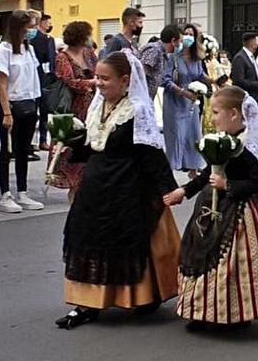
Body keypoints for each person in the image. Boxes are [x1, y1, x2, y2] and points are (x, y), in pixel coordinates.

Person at [55, 51, 181, 329]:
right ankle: (86, 304)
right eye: (96, 77)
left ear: (125, 80)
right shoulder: (96, 106)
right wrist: (71, 143)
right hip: (95, 186)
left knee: (126, 242)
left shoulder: (137, 109)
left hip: (127, 187)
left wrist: (169, 189)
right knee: (87, 239)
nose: (98, 83)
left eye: (104, 78)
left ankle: (140, 297)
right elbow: (94, 145)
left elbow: (151, 154)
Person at [162, 86, 258, 330]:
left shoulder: (246, 146)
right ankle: (202, 311)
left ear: (234, 114)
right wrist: (184, 191)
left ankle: (235, 312)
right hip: (211, 207)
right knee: (202, 255)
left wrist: (228, 185)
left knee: (230, 262)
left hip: (240, 211)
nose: (212, 118)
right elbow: (206, 174)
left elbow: (256, 183)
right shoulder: (222, 142)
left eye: (215, 112)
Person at [0, 9, 45, 213]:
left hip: (29, 103)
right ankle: (5, 194)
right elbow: (1, 83)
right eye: (29, 26)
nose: (32, 30)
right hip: (11, 105)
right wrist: (6, 112)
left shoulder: (28, 49)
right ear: (19, 27)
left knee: (23, 150)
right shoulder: (4, 49)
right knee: (6, 150)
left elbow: (33, 78)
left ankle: (22, 191)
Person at [46, 21, 98, 202]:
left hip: (91, 108)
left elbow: (98, 70)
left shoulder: (89, 53)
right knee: (72, 154)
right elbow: (69, 80)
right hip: (72, 110)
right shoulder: (63, 57)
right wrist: (90, 83)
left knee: (88, 155)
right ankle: (74, 197)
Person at [162, 23, 207, 177]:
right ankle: (171, 170)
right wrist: (183, 92)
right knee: (176, 136)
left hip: (191, 103)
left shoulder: (197, 58)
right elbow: (166, 80)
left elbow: (200, 75)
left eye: (191, 34)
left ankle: (193, 169)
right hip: (175, 102)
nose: (188, 37)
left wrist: (215, 81)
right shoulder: (173, 57)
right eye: (185, 34)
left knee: (193, 134)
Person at [29, 12, 56, 152]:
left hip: (45, 78)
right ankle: (36, 141)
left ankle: (42, 140)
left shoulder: (49, 39)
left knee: (44, 110)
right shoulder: (37, 39)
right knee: (36, 110)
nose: (50, 25)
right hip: (38, 77)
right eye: (48, 22)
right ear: (42, 23)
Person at [141, 25, 181, 101]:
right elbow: (141, 72)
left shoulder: (162, 53)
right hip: (142, 98)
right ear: (173, 41)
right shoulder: (155, 50)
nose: (179, 45)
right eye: (179, 42)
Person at [230, 32, 258, 106]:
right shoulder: (240, 58)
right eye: (257, 41)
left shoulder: (251, 57)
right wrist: (257, 85)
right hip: (245, 98)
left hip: (255, 97)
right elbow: (238, 80)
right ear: (252, 42)